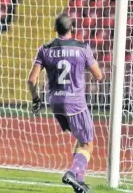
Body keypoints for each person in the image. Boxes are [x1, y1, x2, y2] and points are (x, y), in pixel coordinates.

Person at [28, 13, 104, 193]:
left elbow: (31, 80)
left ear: (55, 29)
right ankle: (72, 172)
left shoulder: (44, 49)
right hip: (75, 103)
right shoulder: (82, 48)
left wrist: (35, 99)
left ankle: (80, 183)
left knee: (80, 140)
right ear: (72, 29)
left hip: (55, 103)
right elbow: (99, 75)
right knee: (87, 144)